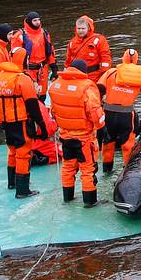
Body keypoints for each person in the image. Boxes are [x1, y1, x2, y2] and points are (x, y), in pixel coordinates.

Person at [0, 46, 48, 198]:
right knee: (23, 154)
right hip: (21, 122)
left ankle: (12, 183)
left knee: (12, 151)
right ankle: (22, 190)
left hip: (5, 122)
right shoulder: (22, 79)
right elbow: (32, 105)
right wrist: (42, 124)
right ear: (23, 60)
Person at [97, 49, 141, 174]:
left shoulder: (111, 72)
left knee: (107, 144)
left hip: (108, 114)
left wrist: (96, 107)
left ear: (123, 59)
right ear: (136, 60)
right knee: (127, 145)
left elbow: (99, 89)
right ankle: (128, 174)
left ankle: (107, 171)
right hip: (126, 115)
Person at [49, 59, 106, 206]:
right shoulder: (87, 87)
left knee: (68, 167)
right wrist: (102, 128)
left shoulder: (55, 86)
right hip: (84, 138)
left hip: (65, 136)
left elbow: (53, 111)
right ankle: (90, 202)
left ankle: (67, 198)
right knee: (88, 169)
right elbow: (95, 111)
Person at [17, 11, 56, 97]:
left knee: (42, 95)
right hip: (28, 70)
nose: (37, 22)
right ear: (29, 21)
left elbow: (50, 51)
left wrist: (54, 68)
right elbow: (15, 56)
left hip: (42, 69)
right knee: (29, 95)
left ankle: (42, 108)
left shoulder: (44, 33)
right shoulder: (20, 35)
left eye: (38, 20)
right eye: (35, 20)